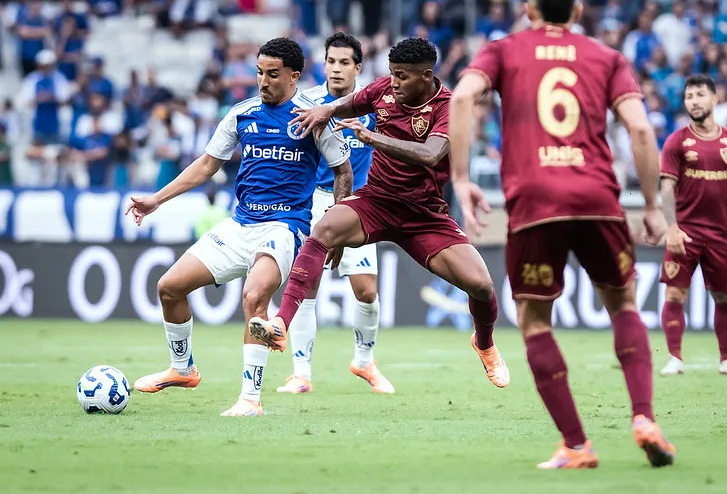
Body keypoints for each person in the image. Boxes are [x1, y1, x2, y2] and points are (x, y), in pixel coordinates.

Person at [448, 0, 673, 469]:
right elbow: (640, 130)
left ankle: (576, 445)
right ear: (578, 9)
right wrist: (652, 207)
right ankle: (644, 419)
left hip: (534, 202)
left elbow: (461, 97)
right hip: (598, 197)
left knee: (534, 321)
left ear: (527, 8)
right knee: (624, 306)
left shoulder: (504, 50)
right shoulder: (607, 57)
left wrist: (461, 179)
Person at [249, 37, 510, 390]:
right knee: (324, 229)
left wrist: (372, 138)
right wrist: (325, 110)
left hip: (424, 216)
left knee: (481, 286)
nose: (394, 82)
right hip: (377, 201)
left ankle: (485, 343)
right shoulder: (383, 89)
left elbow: (431, 154)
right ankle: (280, 324)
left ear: (426, 76)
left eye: (402, 76)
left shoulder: (448, 107)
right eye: (392, 74)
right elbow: (351, 102)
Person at [125, 38, 352, 417]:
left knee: (254, 296)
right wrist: (156, 199)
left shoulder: (313, 118)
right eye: (259, 73)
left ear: (294, 76)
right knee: (169, 287)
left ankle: (250, 399)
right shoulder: (241, 113)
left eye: (273, 74)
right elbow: (206, 164)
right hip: (240, 224)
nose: (263, 81)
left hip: (285, 227)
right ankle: (183, 369)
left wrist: (339, 224)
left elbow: (343, 171)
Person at [279, 32, 394, 394]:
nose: (336, 68)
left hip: (358, 202)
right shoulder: (308, 102)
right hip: (313, 199)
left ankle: (364, 361)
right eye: (331, 61)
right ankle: (301, 373)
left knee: (366, 291)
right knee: (307, 283)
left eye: (345, 62)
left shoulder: (372, 105)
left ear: (358, 68)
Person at [659, 75, 727, 378]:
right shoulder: (676, 141)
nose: (694, 101)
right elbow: (667, 187)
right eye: (689, 96)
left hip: (720, 234)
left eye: (700, 95)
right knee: (674, 295)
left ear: (715, 98)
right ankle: (674, 358)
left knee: (724, 296)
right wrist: (671, 227)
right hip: (685, 232)